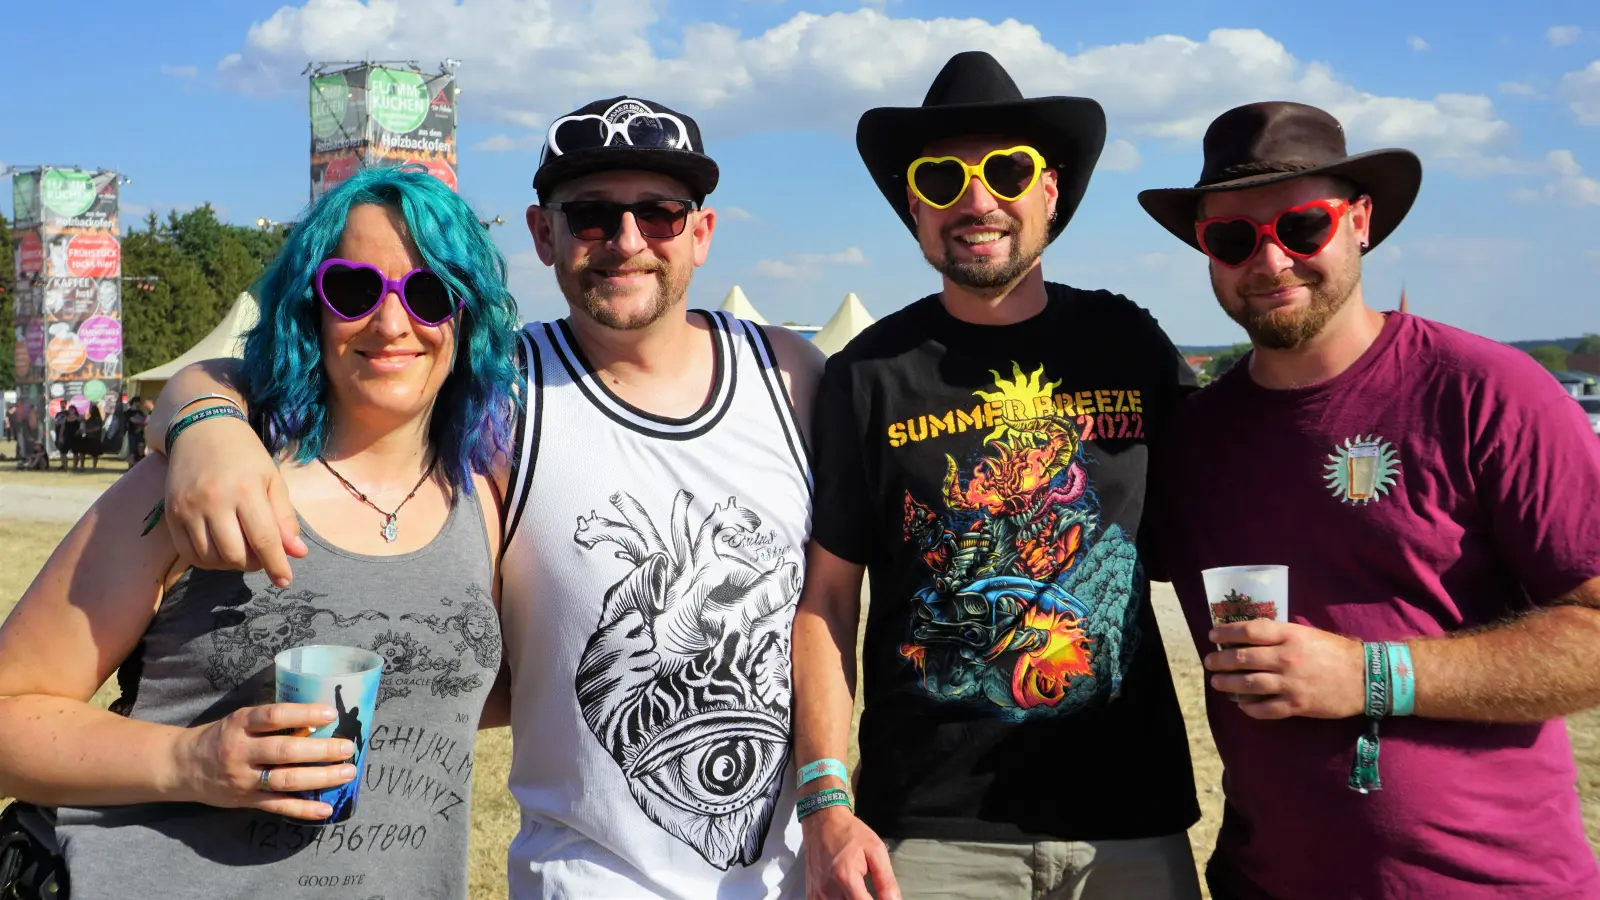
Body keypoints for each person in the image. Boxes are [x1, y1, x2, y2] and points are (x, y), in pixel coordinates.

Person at [140, 95, 823, 899]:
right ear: (543, 234)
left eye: (660, 214)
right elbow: (290, 376)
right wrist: (206, 420)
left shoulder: (790, 376)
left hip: (789, 879)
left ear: (700, 232)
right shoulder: (503, 395)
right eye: (592, 215)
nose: (628, 240)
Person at [0, 165, 522, 899]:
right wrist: (191, 762)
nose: (391, 323)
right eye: (354, 289)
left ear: (467, 316)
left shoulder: (489, 502)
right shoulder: (196, 486)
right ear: (311, 306)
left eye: (430, 293)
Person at [1137, 100, 1600, 900]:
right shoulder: (1195, 438)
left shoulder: (1487, 393)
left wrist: (1370, 675)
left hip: (1491, 884)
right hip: (1261, 882)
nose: (1271, 260)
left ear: (1359, 222)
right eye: (1234, 238)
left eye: (1302, 227)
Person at [792, 51, 1202, 900]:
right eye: (942, 179)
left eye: (1006, 171)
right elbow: (827, 599)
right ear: (916, 207)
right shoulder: (870, 373)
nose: (975, 201)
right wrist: (827, 798)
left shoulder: (1126, 342)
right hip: (931, 832)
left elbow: (1228, 505)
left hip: (1129, 820)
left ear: (1049, 190)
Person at [78, 405, 104, 470]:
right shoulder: (89, 419)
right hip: (87, 437)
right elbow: (84, 425)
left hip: (95, 438)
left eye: (92, 410)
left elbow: (97, 428)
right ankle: (82, 465)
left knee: (95, 454)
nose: (91, 411)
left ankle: (94, 466)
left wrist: (88, 430)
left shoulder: (98, 420)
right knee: (82, 452)